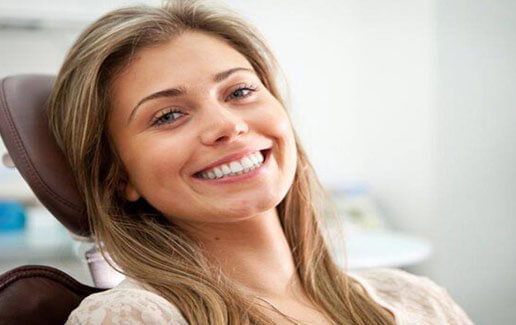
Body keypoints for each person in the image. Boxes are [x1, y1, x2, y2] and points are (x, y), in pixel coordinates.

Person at [46, 1, 474, 324]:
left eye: (239, 92)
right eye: (169, 115)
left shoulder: (415, 299)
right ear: (119, 176)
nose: (227, 126)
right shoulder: (134, 317)